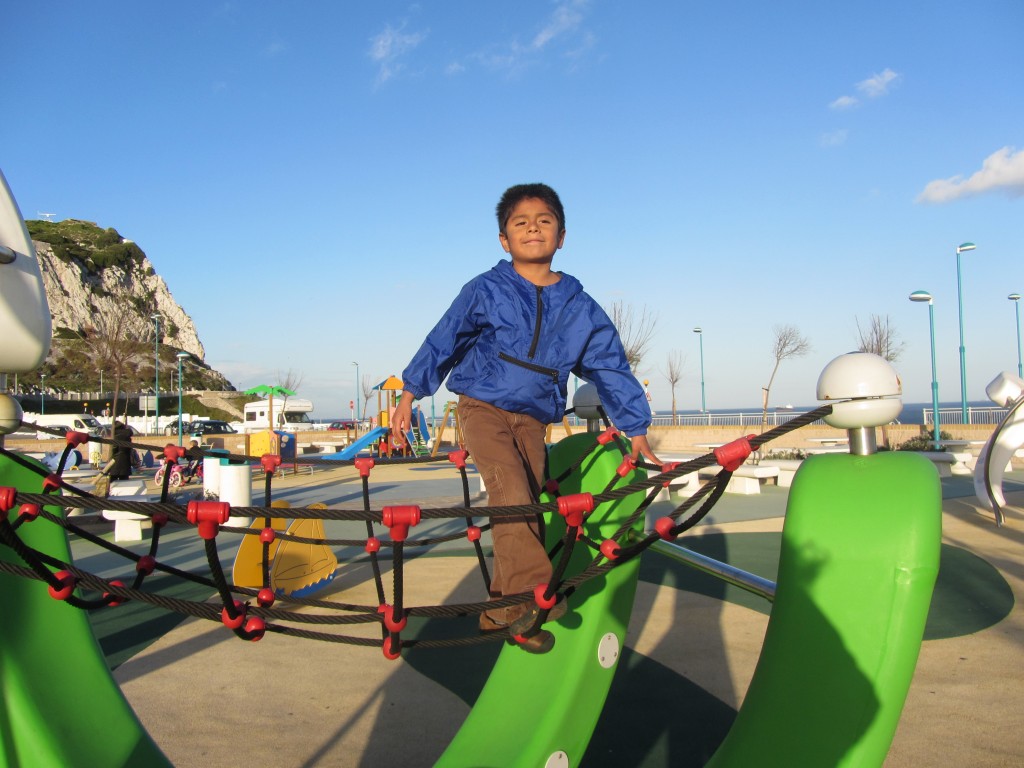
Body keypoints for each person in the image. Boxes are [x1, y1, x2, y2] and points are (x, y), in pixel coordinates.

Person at [391, 183, 659, 654]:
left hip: (533, 419)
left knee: (529, 505)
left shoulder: (579, 306)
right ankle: (533, 600)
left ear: (561, 236)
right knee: (510, 492)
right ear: (503, 239)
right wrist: (410, 392)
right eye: (520, 222)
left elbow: (609, 365)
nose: (533, 228)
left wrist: (635, 426)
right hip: (481, 406)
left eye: (544, 221)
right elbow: (445, 338)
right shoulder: (487, 289)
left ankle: (499, 610)